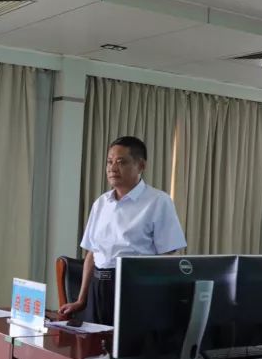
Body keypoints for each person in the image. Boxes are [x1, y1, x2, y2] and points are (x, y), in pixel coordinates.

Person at [60, 136, 186, 326]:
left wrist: (152, 296)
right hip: (99, 288)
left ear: (141, 165)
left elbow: (167, 254)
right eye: (109, 162)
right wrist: (81, 300)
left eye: (121, 162)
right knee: (94, 343)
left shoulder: (158, 201)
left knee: (128, 343)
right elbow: (92, 253)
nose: (112, 168)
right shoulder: (101, 203)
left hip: (135, 288)